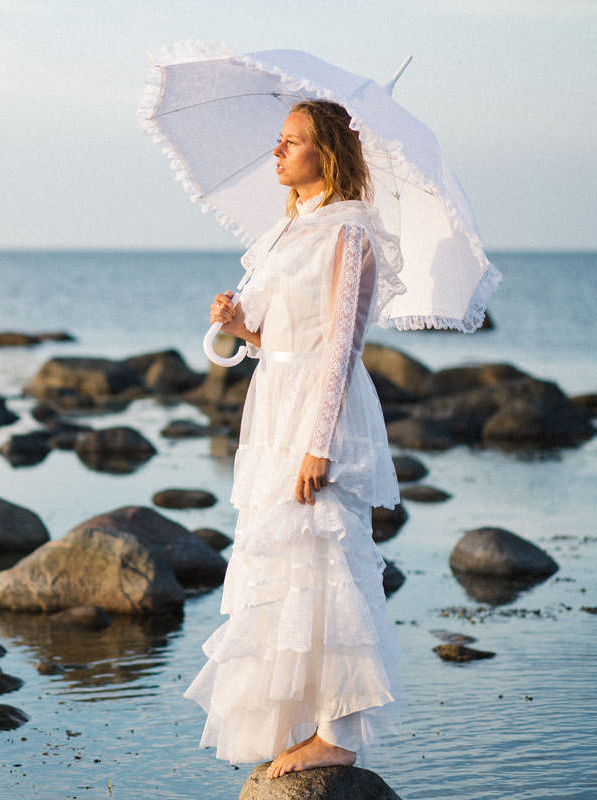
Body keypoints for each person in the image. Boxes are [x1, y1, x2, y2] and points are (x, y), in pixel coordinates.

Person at [184, 99, 405, 780]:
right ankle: (311, 721)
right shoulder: (291, 230)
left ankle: (338, 734)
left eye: (292, 142)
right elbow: (283, 335)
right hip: (274, 401)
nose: (277, 153)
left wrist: (322, 444)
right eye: (278, 141)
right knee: (281, 557)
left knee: (328, 552)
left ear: (326, 153)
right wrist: (242, 328)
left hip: (317, 407)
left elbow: (340, 347)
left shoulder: (350, 233)